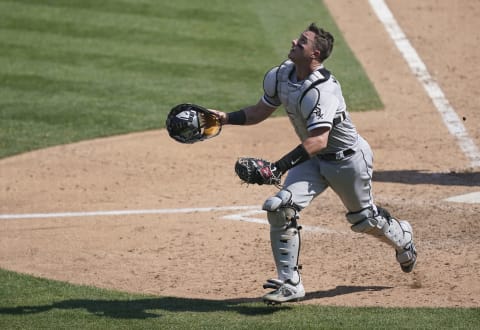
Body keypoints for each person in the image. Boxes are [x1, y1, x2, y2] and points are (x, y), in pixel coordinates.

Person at [210, 23, 417, 304]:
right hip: (313, 161)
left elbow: (319, 140)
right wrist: (226, 118)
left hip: (348, 162)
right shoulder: (281, 75)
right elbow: (260, 111)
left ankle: (402, 236)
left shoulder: (323, 90)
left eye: (303, 41)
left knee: (364, 220)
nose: (295, 41)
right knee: (279, 207)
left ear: (314, 54)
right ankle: (290, 283)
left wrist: (279, 166)